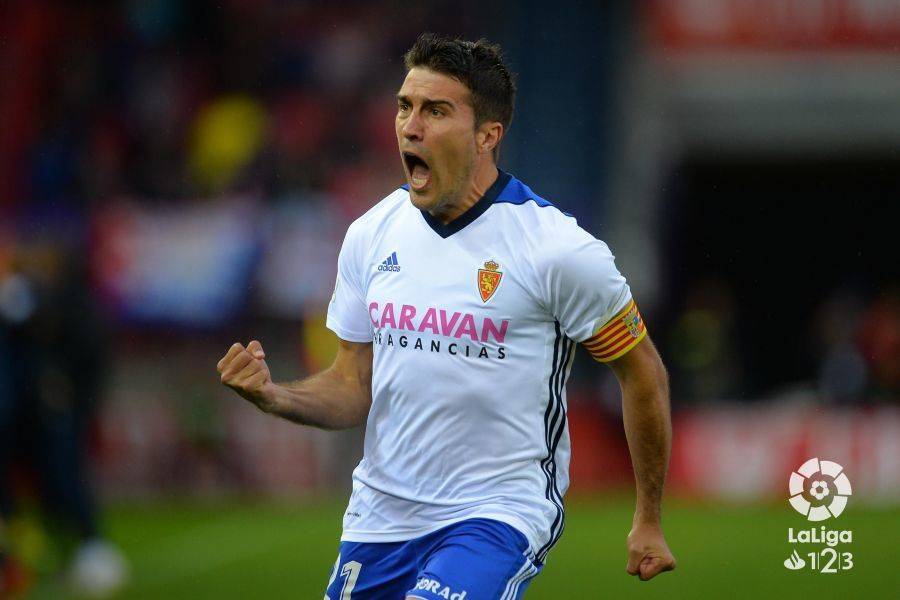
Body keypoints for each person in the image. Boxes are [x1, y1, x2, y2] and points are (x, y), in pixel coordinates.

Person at [218, 33, 675, 598]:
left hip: (497, 513)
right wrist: (276, 396)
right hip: (379, 518)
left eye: (436, 111)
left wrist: (648, 515)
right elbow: (352, 386)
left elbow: (642, 373)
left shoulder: (557, 251)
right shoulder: (370, 235)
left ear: (488, 135)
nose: (410, 126)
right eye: (405, 107)